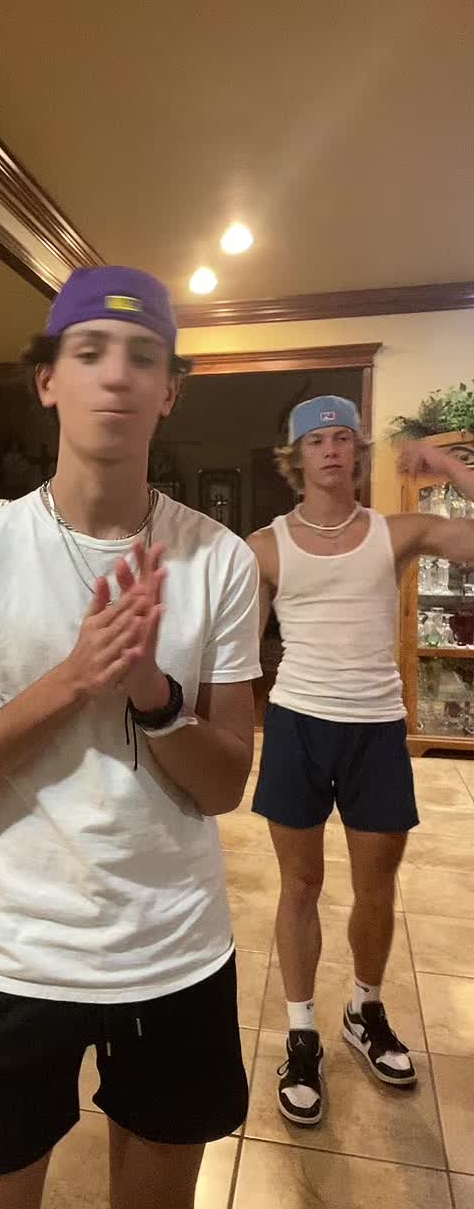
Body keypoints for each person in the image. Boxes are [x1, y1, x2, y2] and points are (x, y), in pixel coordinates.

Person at [0, 266, 262, 1209]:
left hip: (174, 952)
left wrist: (152, 693)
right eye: (90, 351)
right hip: (11, 952)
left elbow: (225, 786)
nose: (116, 374)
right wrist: (73, 680)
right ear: (47, 380)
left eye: (144, 356)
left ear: (169, 391)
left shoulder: (220, 561)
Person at [248, 394, 474, 1126]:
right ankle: (302, 1030)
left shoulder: (395, 532)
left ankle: (364, 1010)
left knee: (377, 886)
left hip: (376, 729)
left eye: (344, 438)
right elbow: (233, 648)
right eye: (318, 442)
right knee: (300, 885)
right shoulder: (265, 546)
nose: (332, 450)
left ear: (357, 452)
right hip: (296, 725)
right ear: (297, 458)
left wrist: (448, 464)